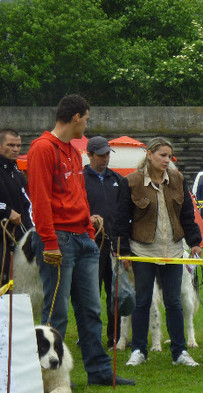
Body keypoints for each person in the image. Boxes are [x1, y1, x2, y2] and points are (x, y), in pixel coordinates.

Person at [26, 94, 134, 386]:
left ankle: (98, 371)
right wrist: (49, 242)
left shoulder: (74, 151)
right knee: (56, 312)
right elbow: (40, 199)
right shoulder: (42, 148)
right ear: (76, 117)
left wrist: (88, 228)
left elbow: (78, 194)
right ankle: (51, 377)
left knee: (91, 310)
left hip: (83, 239)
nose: (87, 123)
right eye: (86, 118)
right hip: (58, 240)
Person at [115, 137, 202, 367]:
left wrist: (194, 241)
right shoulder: (131, 182)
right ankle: (139, 351)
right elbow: (121, 220)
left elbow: (187, 214)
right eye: (162, 155)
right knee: (142, 301)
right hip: (142, 251)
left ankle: (180, 352)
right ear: (150, 154)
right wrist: (124, 251)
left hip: (173, 250)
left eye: (169, 156)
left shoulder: (178, 179)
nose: (167, 160)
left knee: (173, 301)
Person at [83, 136, 123, 348]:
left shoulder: (117, 179)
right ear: (89, 155)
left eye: (108, 154)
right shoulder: (80, 179)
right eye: (101, 155)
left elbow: (124, 213)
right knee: (90, 293)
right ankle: (89, 335)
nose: (106, 158)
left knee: (114, 293)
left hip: (114, 244)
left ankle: (114, 336)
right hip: (89, 244)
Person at [0, 128, 35, 285]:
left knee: (15, 283)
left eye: (18, 145)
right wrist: (6, 211)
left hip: (16, 239)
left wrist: (31, 232)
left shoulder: (18, 174)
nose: (15, 149)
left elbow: (27, 205)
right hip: (1, 237)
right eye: (10, 145)